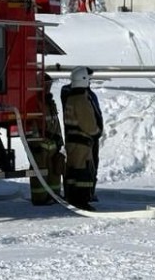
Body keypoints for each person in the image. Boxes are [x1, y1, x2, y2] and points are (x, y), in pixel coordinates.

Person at [61, 66, 103, 209]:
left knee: (73, 172)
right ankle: (82, 200)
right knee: (83, 173)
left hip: (73, 142)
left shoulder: (70, 97)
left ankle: (72, 197)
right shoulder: (82, 100)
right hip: (82, 143)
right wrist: (96, 132)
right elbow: (88, 124)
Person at [27, 75, 65, 206]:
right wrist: (35, 143)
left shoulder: (49, 102)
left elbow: (55, 122)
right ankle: (39, 198)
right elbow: (31, 124)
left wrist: (59, 139)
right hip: (40, 146)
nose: (49, 88)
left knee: (54, 170)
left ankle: (54, 196)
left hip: (52, 145)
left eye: (50, 85)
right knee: (39, 172)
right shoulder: (34, 103)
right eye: (46, 85)